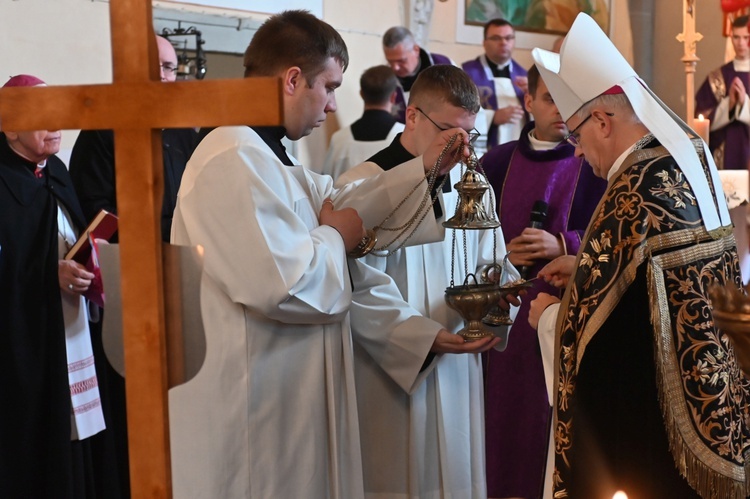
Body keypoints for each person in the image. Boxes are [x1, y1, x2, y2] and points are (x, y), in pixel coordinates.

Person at [167, 10, 498, 498]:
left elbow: (352, 209)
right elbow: (284, 285)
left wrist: (424, 167)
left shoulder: (279, 161)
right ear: (293, 79)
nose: (332, 106)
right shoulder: (231, 157)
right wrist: (334, 237)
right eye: (330, 86)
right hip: (254, 409)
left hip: (287, 402)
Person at [528, 14, 750, 499]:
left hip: (652, 437)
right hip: (717, 403)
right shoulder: (688, 154)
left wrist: (548, 317)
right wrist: (586, 270)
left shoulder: (632, 188)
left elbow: (594, 339)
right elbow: (656, 278)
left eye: (576, 135)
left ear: (603, 121)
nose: (578, 153)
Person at [336, 64, 516, 499]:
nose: (463, 149)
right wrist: (421, 337)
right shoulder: (359, 185)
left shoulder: (474, 185)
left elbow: (494, 259)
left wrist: (500, 304)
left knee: (457, 475)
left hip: (458, 365)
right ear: (413, 116)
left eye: (469, 136)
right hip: (391, 371)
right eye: (450, 134)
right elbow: (356, 285)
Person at [68, 34, 201, 498]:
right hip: (132, 288)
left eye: (171, 67)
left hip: (185, 282)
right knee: (134, 408)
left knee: (184, 401)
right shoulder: (102, 130)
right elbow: (95, 212)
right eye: (160, 67)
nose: (169, 77)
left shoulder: (186, 127)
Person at [480, 65, 606, 499]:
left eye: (569, 101)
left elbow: (616, 236)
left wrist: (563, 244)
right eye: (550, 99)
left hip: (561, 317)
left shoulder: (596, 164)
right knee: (500, 426)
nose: (561, 111)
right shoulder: (495, 163)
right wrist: (500, 256)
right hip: (503, 320)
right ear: (527, 102)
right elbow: (463, 241)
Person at [0, 74, 108, 498]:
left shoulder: (57, 172)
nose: (55, 123)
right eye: (40, 116)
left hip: (72, 331)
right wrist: (49, 278)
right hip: (24, 347)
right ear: (10, 127)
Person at [70, 35, 201, 243]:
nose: (160, 75)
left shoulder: (184, 133)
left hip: (179, 253)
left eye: (168, 67)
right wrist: (164, 231)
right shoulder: (102, 129)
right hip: (125, 256)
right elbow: (93, 208)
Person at [696, 14, 750, 283]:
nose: (741, 44)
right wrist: (729, 105)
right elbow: (700, 119)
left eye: (746, 38)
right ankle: (737, 287)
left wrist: (744, 105)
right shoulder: (719, 78)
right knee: (735, 232)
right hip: (729, 168)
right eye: (736, 38)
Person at [314, 65, 404, 180]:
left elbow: (326, 186)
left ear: (361, 94)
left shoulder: (339, 140)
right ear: (393, 97)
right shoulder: (405, 137)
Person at [462, 18, 528, 154]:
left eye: (508, 38)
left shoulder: (526, 76)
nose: (504, 43)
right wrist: (492, 118)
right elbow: (457, 113)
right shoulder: (465, 74)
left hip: (518, 150)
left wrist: (534, 95)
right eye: (496, 38)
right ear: (484, 43)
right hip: (481, 153)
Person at [382, 26, 453, 123]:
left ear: (416, 50)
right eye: (390, 61)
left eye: (401, 61)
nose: (395, 68)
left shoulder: (446, 66)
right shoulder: (385, 80)